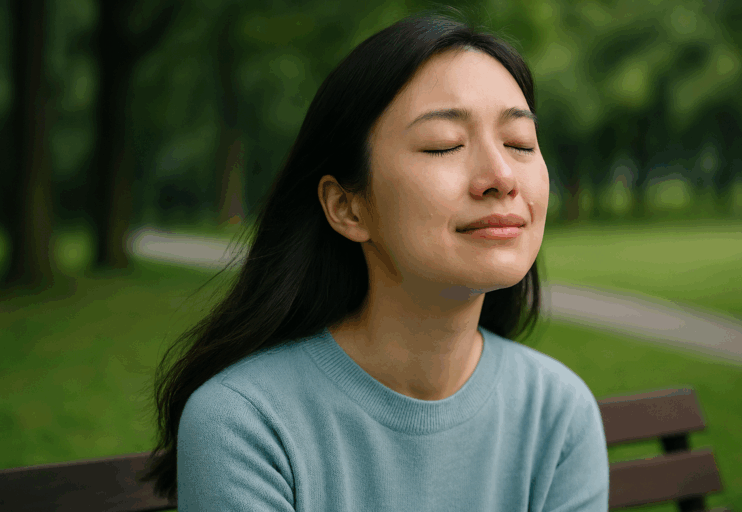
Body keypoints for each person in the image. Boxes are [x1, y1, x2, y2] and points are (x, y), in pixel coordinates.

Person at [140, 7, 610, 511]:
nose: (501, 176)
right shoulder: (246, 421)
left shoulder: (557, 410)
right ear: (347, 206)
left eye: (519, 143)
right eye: (443, 145)